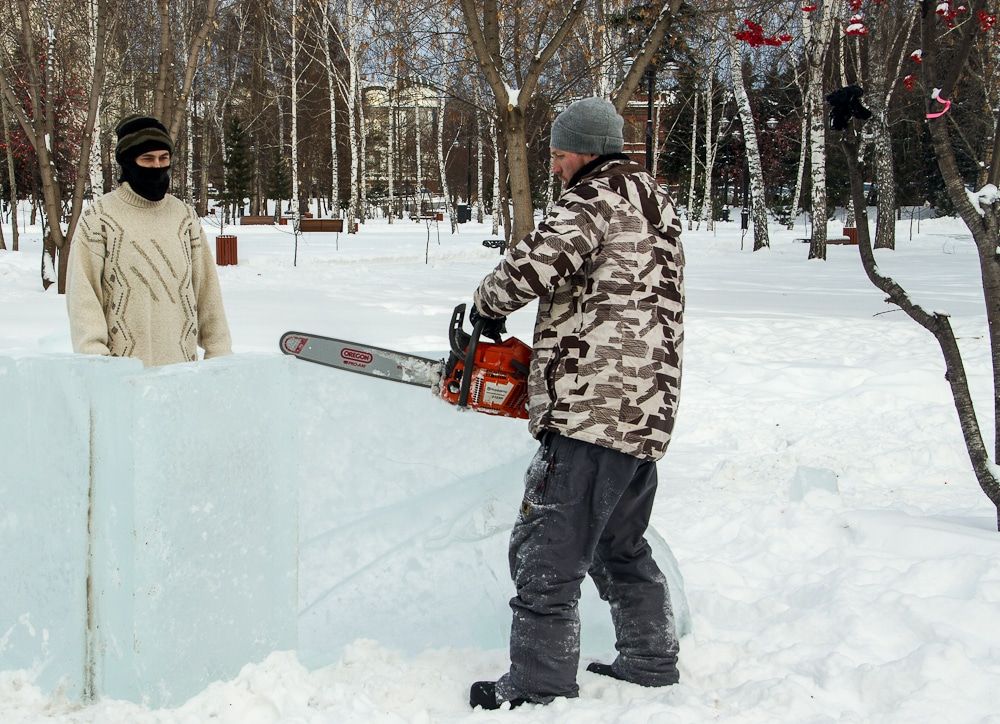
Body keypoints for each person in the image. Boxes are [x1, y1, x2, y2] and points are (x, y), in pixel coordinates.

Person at [466, 97, 685, 710]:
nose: (556, 166)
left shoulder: (592, 199)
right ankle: (650, 658)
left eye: (560, 154)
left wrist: (486, 303)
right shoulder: (654, 199)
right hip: (644, 408)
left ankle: (538, 681)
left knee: (546, 548)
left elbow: (538, 262)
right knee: (620, 544)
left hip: (592, 406)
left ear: (586, 150)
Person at [67, 114, 231, 366]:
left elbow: (207, 292)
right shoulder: (99, 217)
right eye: (147, 158)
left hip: (182, 374)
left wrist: (219, 356)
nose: (157, 166)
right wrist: (97, 365)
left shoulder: (184, 217)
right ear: (128, 161)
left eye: (163, 158)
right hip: (122, 377)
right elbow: (83, 297)